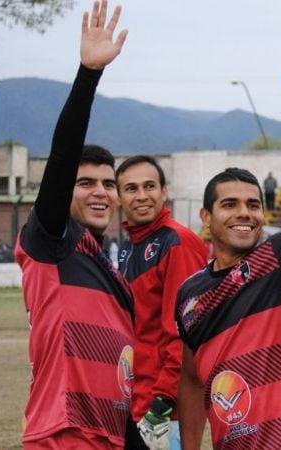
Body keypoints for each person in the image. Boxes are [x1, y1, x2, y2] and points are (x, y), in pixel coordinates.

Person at [176, 74, 281, 449]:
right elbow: (190, 378)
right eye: (230, 204)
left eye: (253, 205)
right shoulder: (190, 294)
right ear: (206, 217)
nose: (245, 213)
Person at [14, 3, 134, 448]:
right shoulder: (52, 244)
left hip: (108, 435)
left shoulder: (114, 277)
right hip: (64, 434)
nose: (100, 191)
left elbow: (119, 389)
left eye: (108, 183)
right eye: (85, 183)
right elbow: (62, 157)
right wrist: (88, 76)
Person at [115, 155, 208, 450]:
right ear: (119, 198)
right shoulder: (132, 247)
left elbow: (183, 333)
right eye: (131, 188)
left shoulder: (177, 243)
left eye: (149, 186)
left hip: (164, 413)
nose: (141, 196)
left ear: (164, 191)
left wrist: (161, 407)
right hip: (136, 403)